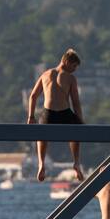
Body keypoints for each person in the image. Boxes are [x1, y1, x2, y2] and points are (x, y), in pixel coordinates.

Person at [27, 49, 85, 182]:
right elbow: (75, 102)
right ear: (66, 61)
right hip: (64, 112)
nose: (74, 70)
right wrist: (80, 120)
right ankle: (76, 162)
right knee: (75, 133)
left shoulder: (46, 74)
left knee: (42, 135)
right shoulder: (70, 78)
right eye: (74, 66)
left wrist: (31, 116)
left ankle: (41, 163)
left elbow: (33, 96)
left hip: (49, 112)